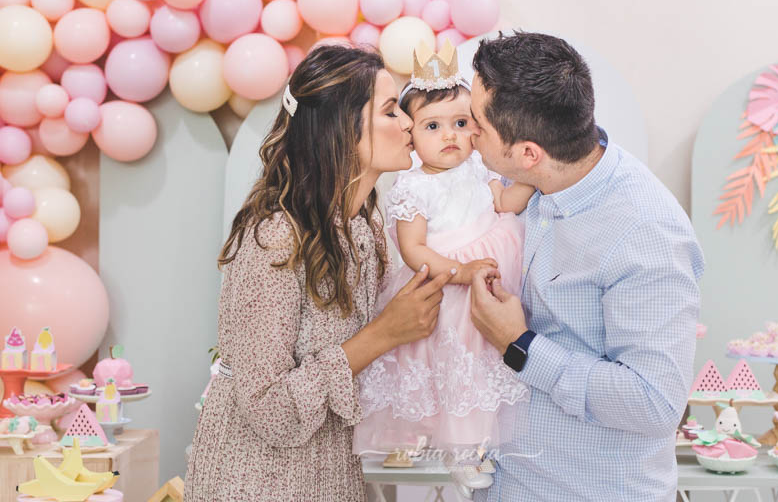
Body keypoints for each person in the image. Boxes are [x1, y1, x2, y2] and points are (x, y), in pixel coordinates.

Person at [184, 45, 452, 502]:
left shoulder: (364, 229)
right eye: (391, 112)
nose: (409, 123)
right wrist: (384, 334)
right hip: (255, 485)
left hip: (330, 479)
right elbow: (269, 410)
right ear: (342, 131)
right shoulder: (275, 238)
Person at [466, 32, 705, 502]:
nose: (465, 131)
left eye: (476, 123)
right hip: (506, 483)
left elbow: (655, 402)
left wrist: (520, 346)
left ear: (528, 152)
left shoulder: (645, 233)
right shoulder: (535, 180)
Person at [353, 42, 533, 497]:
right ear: (411, 135)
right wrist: (460, 270)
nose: (450, 135)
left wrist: (533, 181)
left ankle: (480, 447)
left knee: (483, 367)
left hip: (489, 277)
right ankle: (455, 451)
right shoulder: (412, 187)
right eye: (433, 126)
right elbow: (413, 251)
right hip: (446, 284)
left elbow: (503, 203)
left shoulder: (479, 167)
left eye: (460, 123)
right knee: (451, 367)